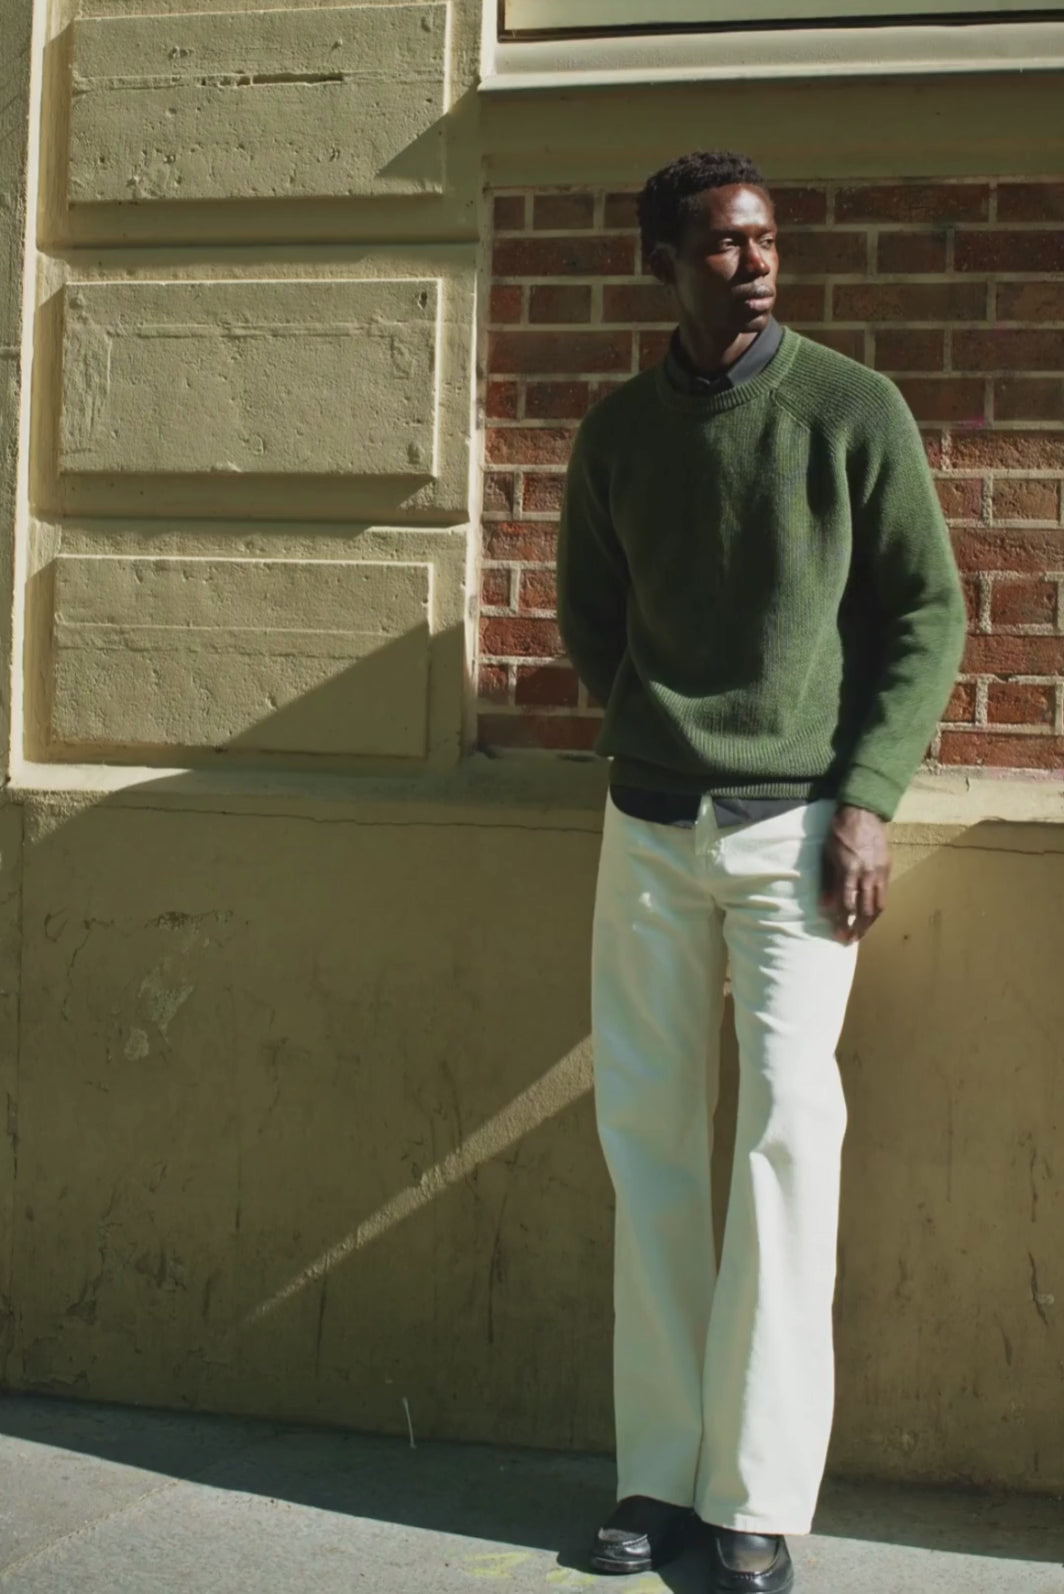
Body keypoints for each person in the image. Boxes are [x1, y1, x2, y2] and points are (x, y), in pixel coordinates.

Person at [556, 150, 966, 1594]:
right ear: (663, 264)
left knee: (788, 1137)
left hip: (798, 839)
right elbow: (592, 619)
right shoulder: (619, 434)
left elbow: (926, 610)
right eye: (724, 245)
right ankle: (659, 1477)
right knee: (651, 1140)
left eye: (767, 240)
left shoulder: (852, 411)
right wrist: (655, 732)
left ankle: (757, 1498)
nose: (756, 264)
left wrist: (867, 798)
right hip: (650, 827)